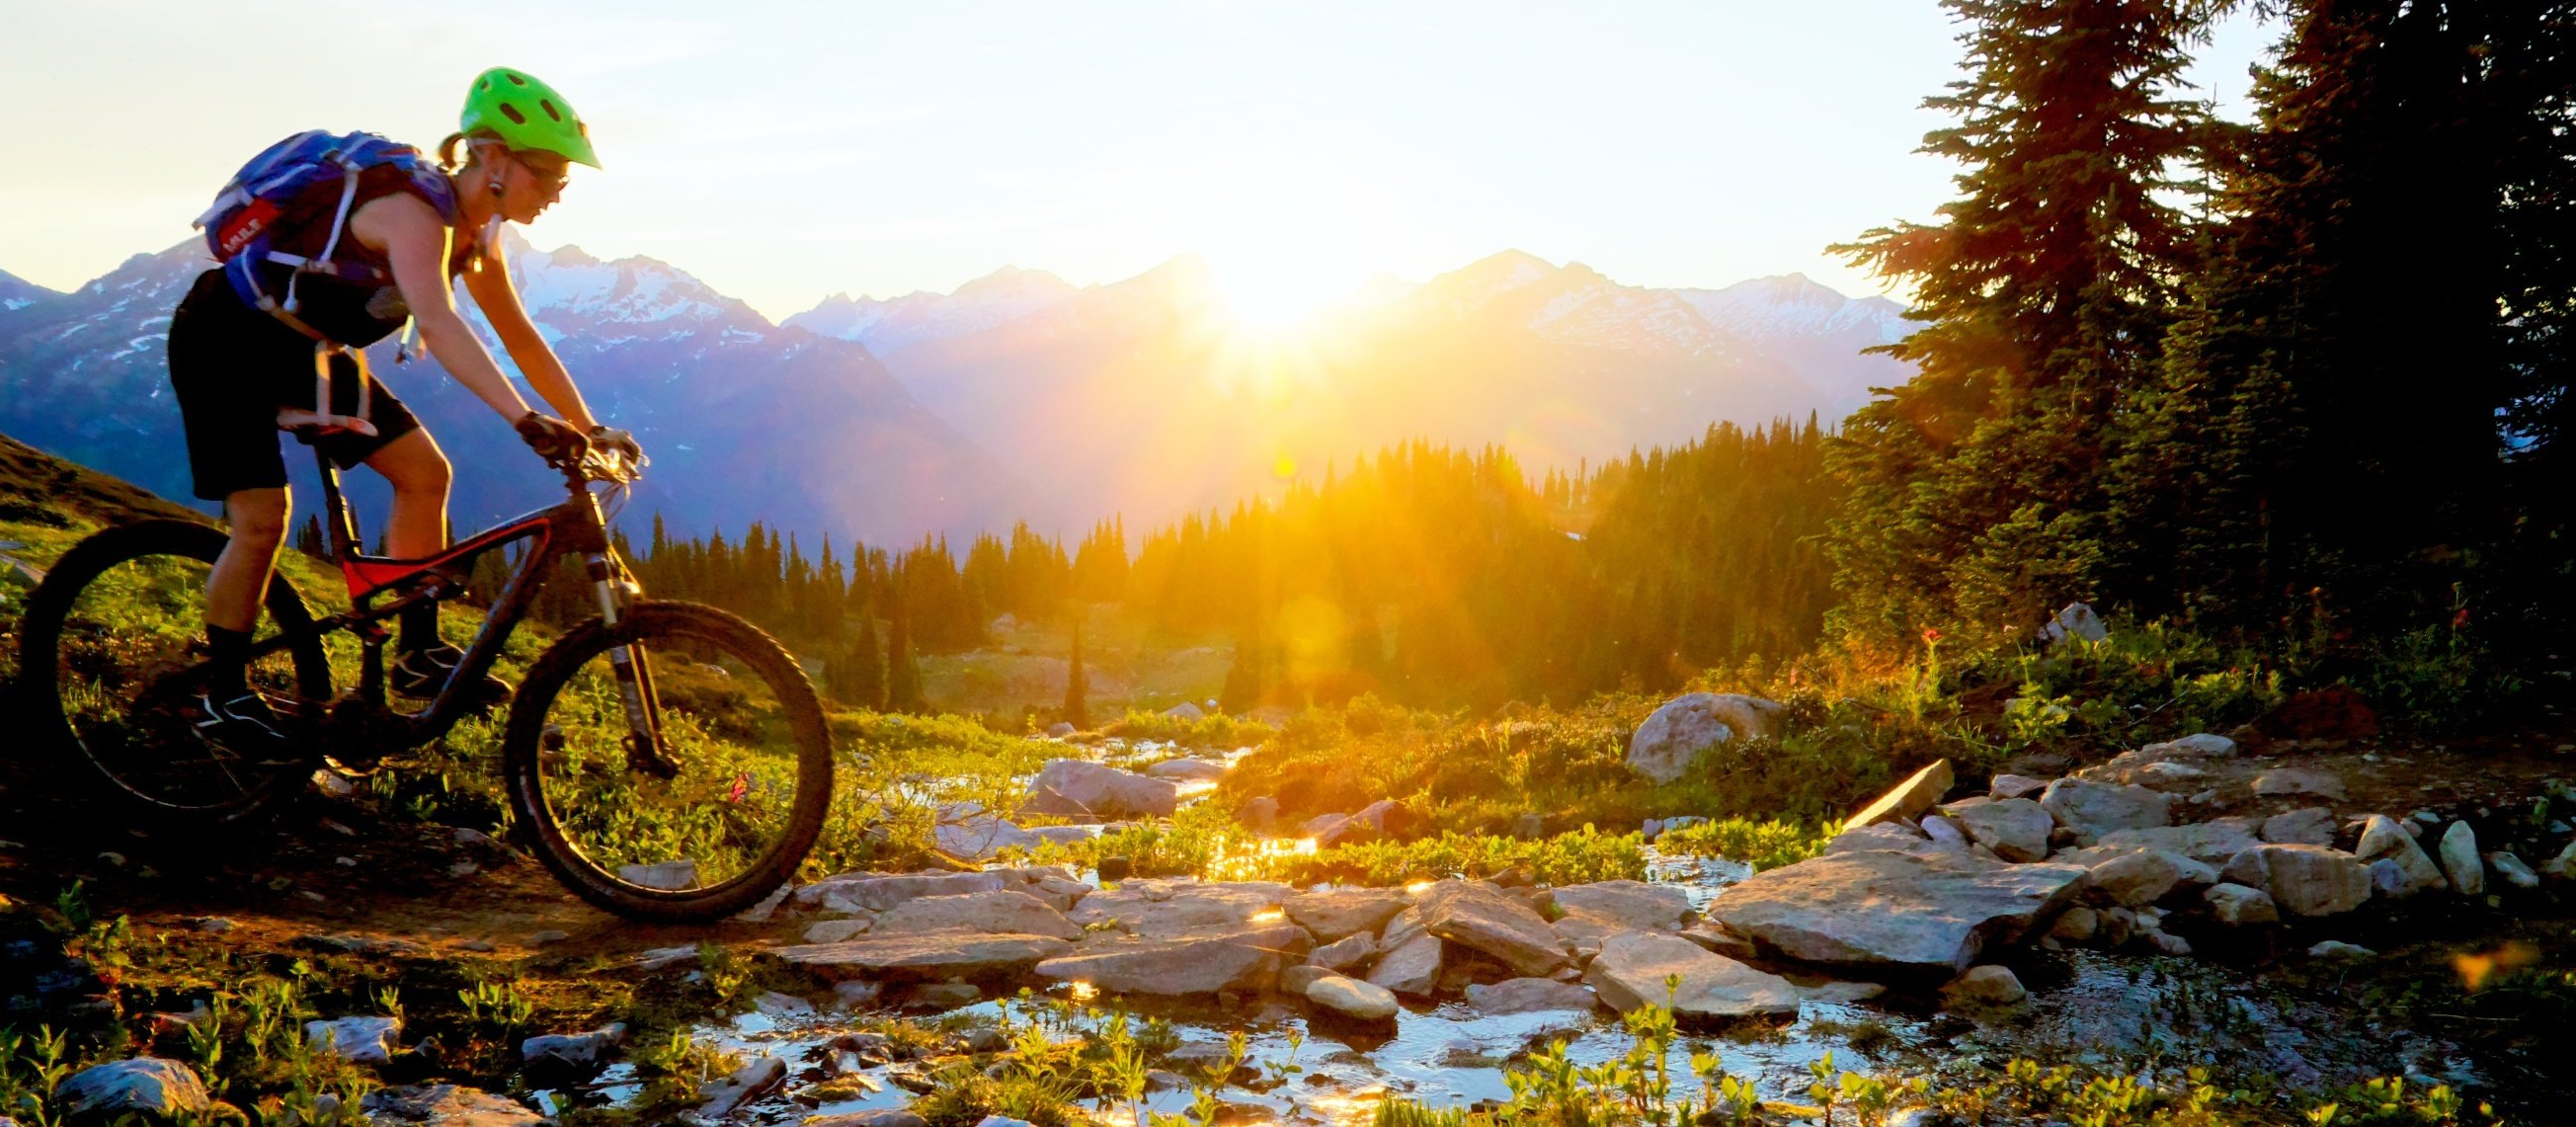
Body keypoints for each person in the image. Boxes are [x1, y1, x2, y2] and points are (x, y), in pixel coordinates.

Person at [168, 67, 641, 753]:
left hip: (306, 351)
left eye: (564, 180)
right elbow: (442, 326)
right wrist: (523, 420)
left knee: (426, 472)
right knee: (262, 520)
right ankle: (225, 695)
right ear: (494, 158)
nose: (557, 193)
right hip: (226, 340)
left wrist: (588, 424)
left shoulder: (479, 238)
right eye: (548, 175)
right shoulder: (414, 215)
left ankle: (417, 653)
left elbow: (521, 338)